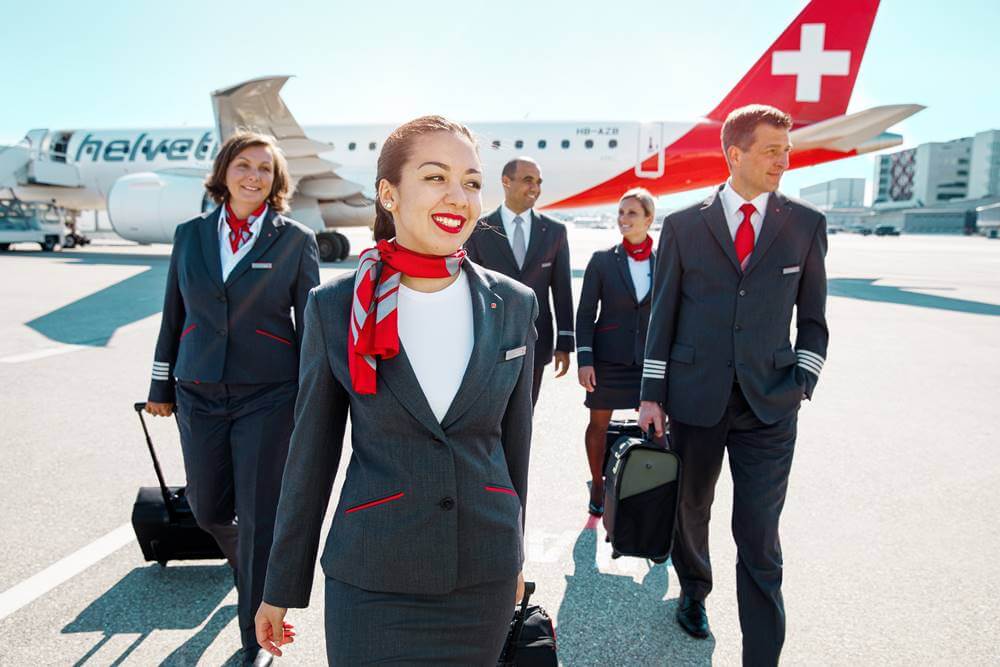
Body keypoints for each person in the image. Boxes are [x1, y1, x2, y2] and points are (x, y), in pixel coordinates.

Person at [255, 116, 538, 665]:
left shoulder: (515, 304)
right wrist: (280, 587)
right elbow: (309, 457)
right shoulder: (334, 307)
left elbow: (514, 447)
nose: (458, 196)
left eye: (472, 182)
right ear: (389, 193)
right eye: (435, 177)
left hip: (483, 577)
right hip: (373, 576)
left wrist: (515, 551)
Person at [638, 104, 829, 666]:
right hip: (696, 399)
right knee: (691, 508)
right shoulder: (681, 226)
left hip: (771, 405)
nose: (784, 160)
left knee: (760, 536)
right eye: (773, 150)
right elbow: (663, 315)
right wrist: (652, 393)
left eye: (786, 150)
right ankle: (694, 591)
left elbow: (814, 319)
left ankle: (761, 657)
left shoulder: (805, 224)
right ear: (735, 153)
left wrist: (802, 382)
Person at [144, 130, 320, 665]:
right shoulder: (190, 235)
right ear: (224, 173)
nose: (254, 176)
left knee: (260, 515)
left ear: (277, 180)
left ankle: (257, 637)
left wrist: (314, 397)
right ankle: (247, 565)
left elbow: (310, 326)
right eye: (244, 165)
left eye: (265, 169)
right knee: (208, 507)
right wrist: (159, 385)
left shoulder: (294, 239)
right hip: (197, 389)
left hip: (268, 393)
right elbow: (174, 313)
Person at [464, 157, 574, 405]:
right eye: (527, 180)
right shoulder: (479, 229)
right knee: (489, 416)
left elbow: (562, 291)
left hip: (537, 340)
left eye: (538, 181)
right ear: (506, 181)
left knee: (525, 417)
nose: (535, 187)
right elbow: (468, 289)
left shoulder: (555, 231)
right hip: (489, 342)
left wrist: (565, 342)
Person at [575, 187, 656, 516]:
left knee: (654, 429)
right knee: (598, 425)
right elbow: (585, 314)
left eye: (632, 213)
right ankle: (598, 482)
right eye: (621, 213)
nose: (624, 219)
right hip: (608, 360)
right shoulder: (602, 261)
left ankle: (649, 489)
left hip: (648, 362)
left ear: (648, 219)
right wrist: (585, 359)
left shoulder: (664, 262)